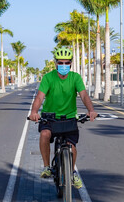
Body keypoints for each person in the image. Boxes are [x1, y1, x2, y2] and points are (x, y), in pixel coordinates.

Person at [28, 47, 98, 189]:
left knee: (71, 146)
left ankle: (71, 173)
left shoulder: (75, 78)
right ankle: (47, 167)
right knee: (44, 134)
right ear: (56, 63)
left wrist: (91, 110)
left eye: (67, 63)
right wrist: (34, 111)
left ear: (71, 64)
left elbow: (84, 95)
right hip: (50, 117)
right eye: (61, 63)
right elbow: (40, 96)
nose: (64, 66)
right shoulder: (48, 78)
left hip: (69, 118)